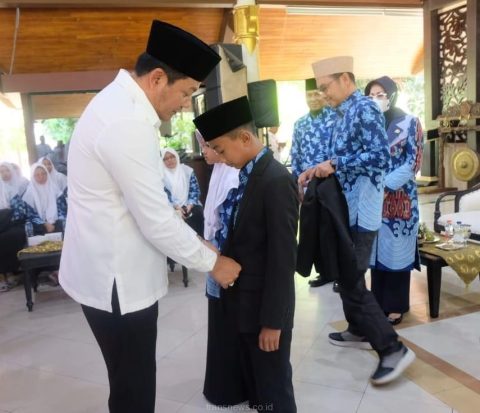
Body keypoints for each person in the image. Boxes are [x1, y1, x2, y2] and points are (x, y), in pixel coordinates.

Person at [58, 20, 241, 413]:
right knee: (134, 388)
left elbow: (148, 203)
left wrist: (198, 243)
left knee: (128, 381)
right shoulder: (126, 122)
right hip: (117, 281)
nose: (186, 105)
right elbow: (155, 218)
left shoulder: (121, 106)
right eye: (186, 92)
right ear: (158, 78)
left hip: (108, 269)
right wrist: (214, 263)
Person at [299, 56, 415, 385]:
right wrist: (317, 168)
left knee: (350, 278)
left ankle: (392, 349)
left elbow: (380, 158)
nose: (323, 94)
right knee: (345, 272)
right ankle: (357, 328)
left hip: (362, 210)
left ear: (346, 79)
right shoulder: (342, 112)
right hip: (346, 208)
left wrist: (335, 165)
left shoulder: (364, 108)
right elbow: (344, 156)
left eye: (326, 87)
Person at [194, 96, 298, 412]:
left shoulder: (275, 180)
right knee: (258, 386)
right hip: (245, 305)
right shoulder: (248, 174)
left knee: (273, 389)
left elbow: (282, 261)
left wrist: (273, 323)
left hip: (265, 311)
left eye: (221, 150)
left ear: (244, 138)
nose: (221, 158)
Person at [365, 76, 424, 325]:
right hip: (372, 200)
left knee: (396, 253)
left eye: (380, 94)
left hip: (399, 198)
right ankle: (378, 302)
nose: (375, 99)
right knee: (376, 253)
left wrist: (385, 185)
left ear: (392, 95)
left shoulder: (410, 122)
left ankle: (396, 306)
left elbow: (413, 162)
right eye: (370, 95)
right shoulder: (369, 126)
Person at [195, 130, 245, 406]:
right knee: (218, 319)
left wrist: (215, 254)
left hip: (225, 258)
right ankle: (220, 385)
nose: (203, 150)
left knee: (228, 321)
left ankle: (232, 388)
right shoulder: (217, 171)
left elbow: (229, 224)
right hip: (213, 253)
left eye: (207, 145)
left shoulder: (233, 175)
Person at [290, 78, 337, 288]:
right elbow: (296, 155)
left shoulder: (336, 118)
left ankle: (340, 274)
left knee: (333, 228)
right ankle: (324, 272)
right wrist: (298, 184)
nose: (313, 99)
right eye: (309, 95)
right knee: (313, 229)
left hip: (332, 183)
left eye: (317, 94)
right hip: (309, 186)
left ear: (324, 94)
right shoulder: (300, 124)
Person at [161, 147, 204, 236]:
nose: (170, 160)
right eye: (166, 159)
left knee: (197, 213)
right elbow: (164, 195)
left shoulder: (187, 170)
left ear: (176, 157)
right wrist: (176, 207)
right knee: (171, 219)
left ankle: (200, 241)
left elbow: (194, 190)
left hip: (190, 204)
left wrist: (190, 205)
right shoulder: (161, 176)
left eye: (172, 157)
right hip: (171, 206)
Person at [0, 171, 27, 292]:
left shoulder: (10, 190)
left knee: (12, 236)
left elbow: (19, 211)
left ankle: (12, 272)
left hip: (11, 223)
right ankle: (2, 276)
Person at [23, 163, 66, 236]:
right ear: (33, 177)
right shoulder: (29, 193)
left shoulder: (55, 190)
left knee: (63, 224)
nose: (41, 177)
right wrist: (45, 224)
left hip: (56, 221)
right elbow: (30, 214)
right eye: (37, 175)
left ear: (47, 174)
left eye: (43, 174)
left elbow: (62, 209)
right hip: (39, 224)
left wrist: (55, 221)